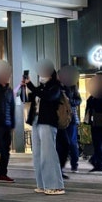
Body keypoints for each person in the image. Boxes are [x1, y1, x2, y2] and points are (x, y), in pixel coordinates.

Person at [26, 59, 64, 194]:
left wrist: (30, 85)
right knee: (37, 154)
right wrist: (24, 87)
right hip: (36, 121)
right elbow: (28, 99)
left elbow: (48, 97)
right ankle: (42, 184)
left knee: (48, 154)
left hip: (48, 121)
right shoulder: (39, 87)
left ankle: (55, 186)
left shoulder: (55, 86)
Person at [56, 65, 81, 176]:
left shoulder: (72, 86)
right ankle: (60, 167)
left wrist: (69, 101)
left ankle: (74, 164)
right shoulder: (56, 87)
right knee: (61, 144)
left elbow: (78, 100)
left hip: (71, 118)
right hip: (58, 119)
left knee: (71, 142)